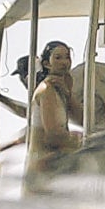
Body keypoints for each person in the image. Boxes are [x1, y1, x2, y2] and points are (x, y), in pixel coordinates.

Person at [22, 39, 80, 174]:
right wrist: (81, 140)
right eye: (58, 58)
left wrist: (69, 95)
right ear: (47, 64)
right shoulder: (46, 90)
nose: (64, 62)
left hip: (56, 164)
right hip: (43, 167)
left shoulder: (61, 89)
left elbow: (82, 120)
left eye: (67, 57)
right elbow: (53, 137)